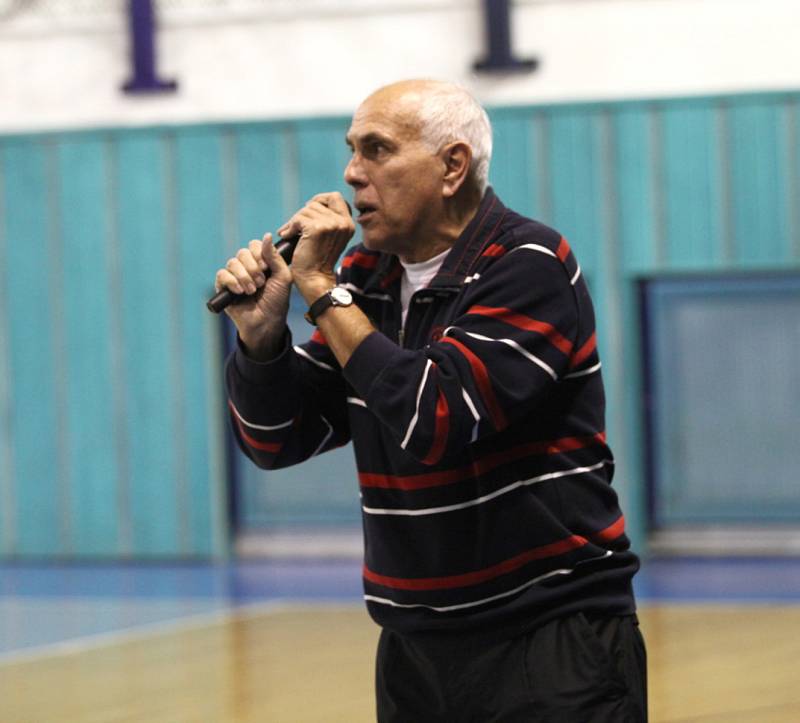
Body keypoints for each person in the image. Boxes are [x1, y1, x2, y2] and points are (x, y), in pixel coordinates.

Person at [216, 79, 647, 722]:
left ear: (452, 166)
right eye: (351, 150)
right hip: (415, 651)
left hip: (551, 638)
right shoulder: (366, 280)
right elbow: (275, 440)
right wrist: (260, 339)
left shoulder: (528, 263)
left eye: (377, 150)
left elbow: (436, 418)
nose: (351, 174)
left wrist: (320, 290)